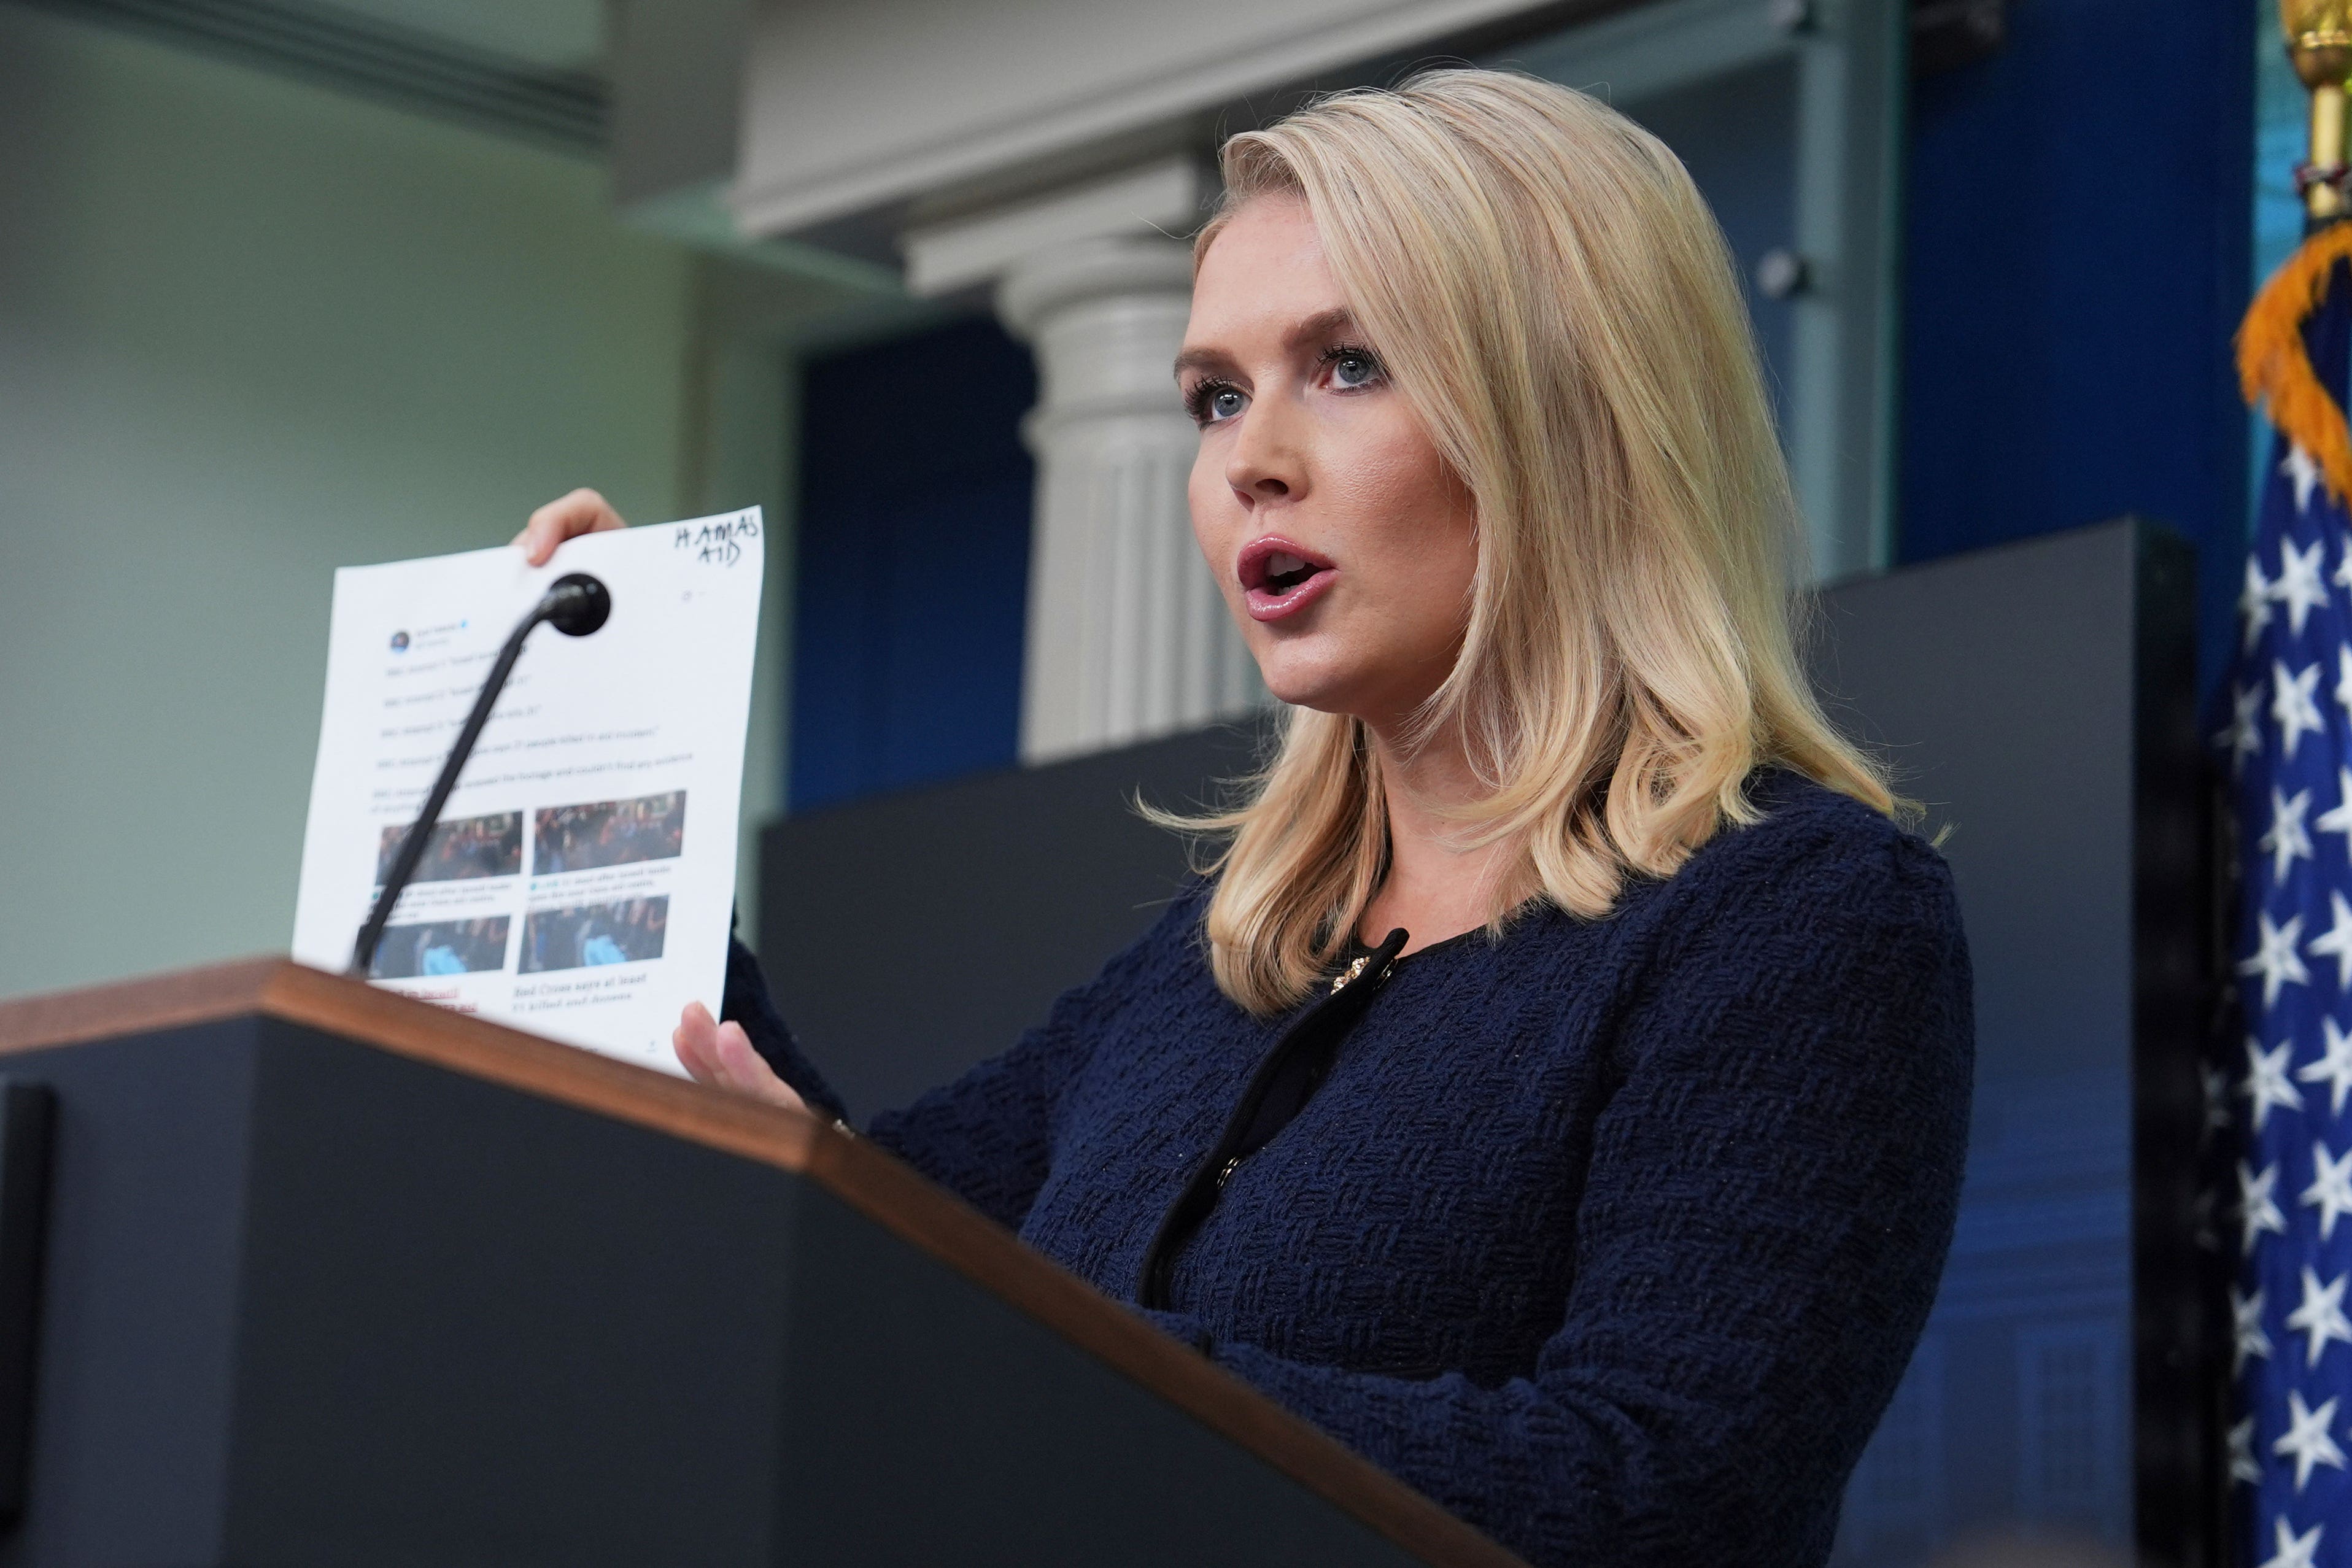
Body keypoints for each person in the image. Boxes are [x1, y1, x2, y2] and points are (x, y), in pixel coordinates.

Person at [516, 70, 1970, 1568]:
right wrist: (631, 775)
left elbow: (1655, 1496)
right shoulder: (1219, 968)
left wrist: (1048, 1363)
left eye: (1347, 366)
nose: (1248, 460)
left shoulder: (1796, 919)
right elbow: (876, 1239)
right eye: (1215, 395)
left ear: (1579, 412)